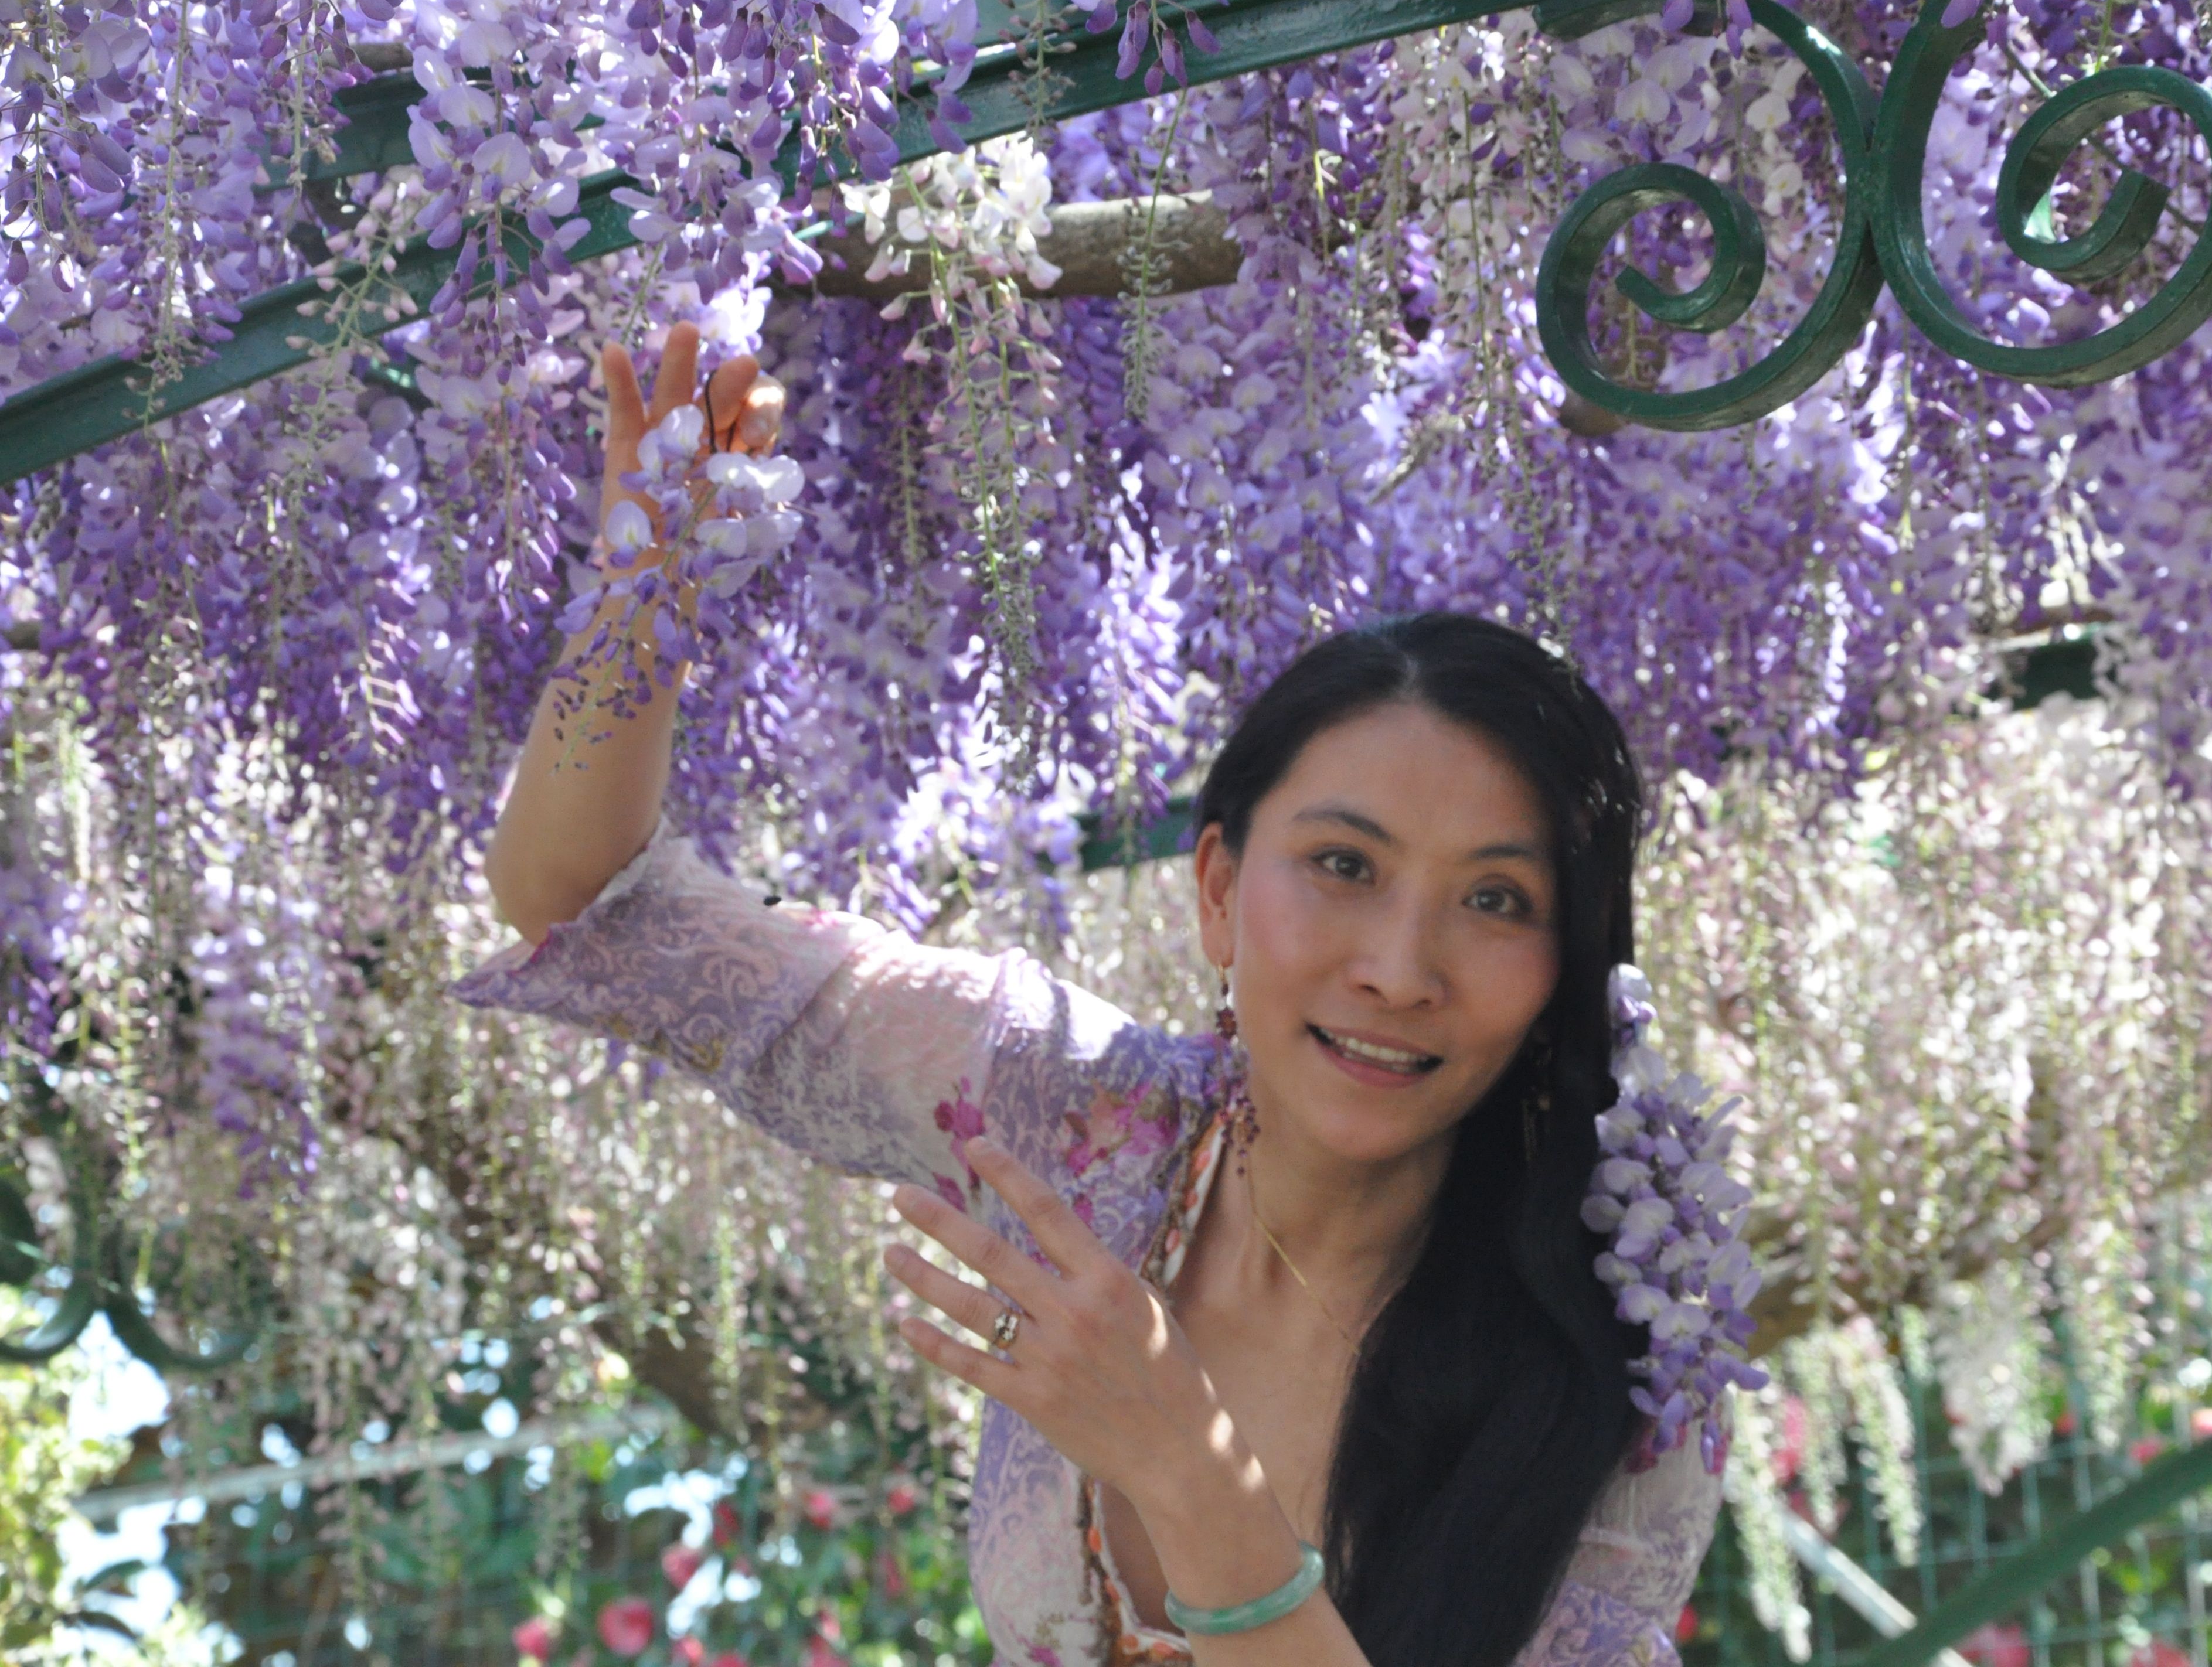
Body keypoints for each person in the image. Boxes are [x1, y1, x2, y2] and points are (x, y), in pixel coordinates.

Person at [460, 323, 1743, 1667]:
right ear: (1212, 891)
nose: (1397, 967)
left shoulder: (1629, 1342)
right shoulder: (1076, 1110)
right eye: (1342, 865)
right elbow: (594, 900)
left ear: (1563, 968)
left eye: (1495, 899)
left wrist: (1184, 1466)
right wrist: (644, 583)